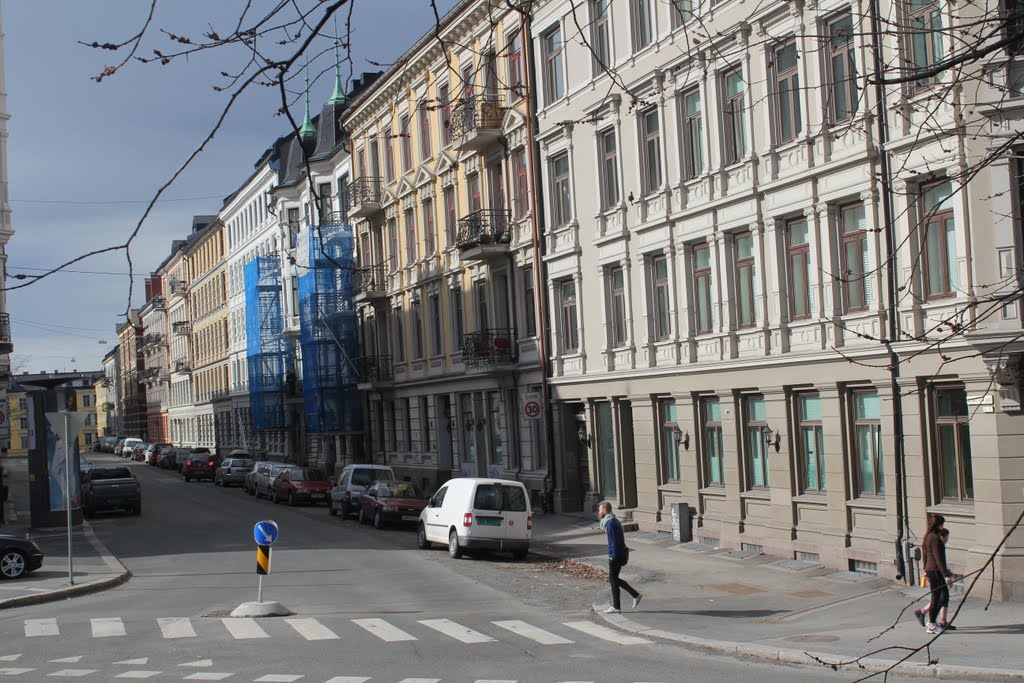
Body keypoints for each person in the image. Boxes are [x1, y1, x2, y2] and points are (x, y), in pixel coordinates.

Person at [598, 501, 641, 614]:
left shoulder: (610, 524)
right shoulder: (614, 520)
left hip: (615, 554)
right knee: (614, 580)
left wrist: (612, 556)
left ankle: (632, 596)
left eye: (600, 510)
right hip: (619, 553)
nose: (599, 512)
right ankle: (621, 603)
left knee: (613, 579)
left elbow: (615, 542)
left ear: (605, 510)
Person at [915, 515, 953, 634]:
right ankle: (931, 624)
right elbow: (938, 558)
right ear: (939, 524)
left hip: (931, 569)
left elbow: (925, 554)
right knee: (938, 597)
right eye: (942, 523)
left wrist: (925, 568)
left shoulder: (928, 536)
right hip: (936, 571)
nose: (943, 526)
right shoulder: (935, 538)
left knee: (943, 597)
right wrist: (946, 575)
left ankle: (934, 621)